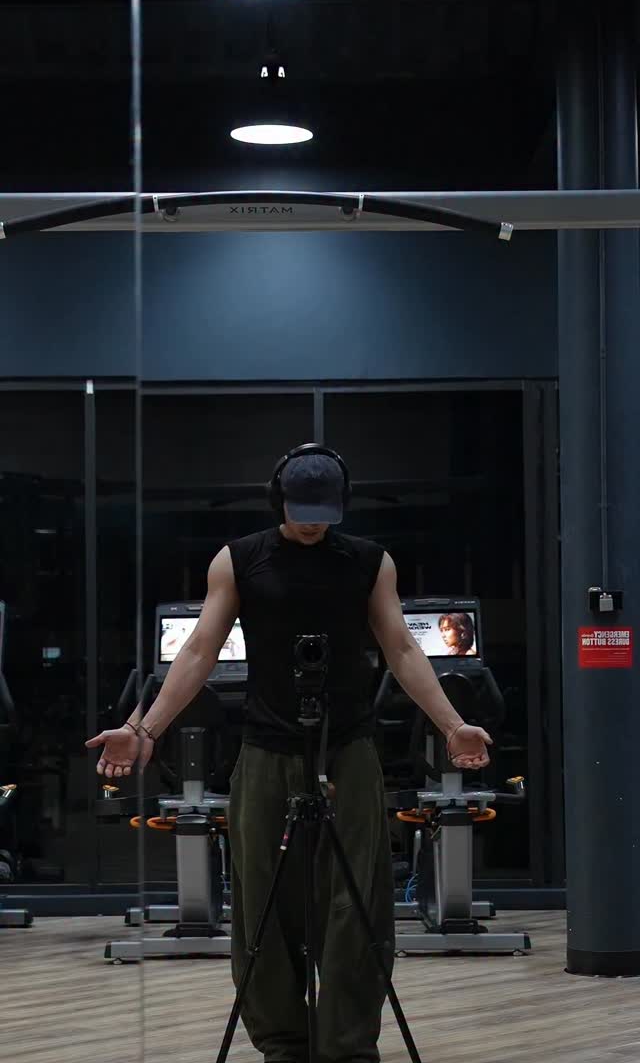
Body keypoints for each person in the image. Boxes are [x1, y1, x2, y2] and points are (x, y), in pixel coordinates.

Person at [87, 445, 492, 1063]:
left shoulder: (368, 562)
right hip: (265, 746)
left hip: (348, 745)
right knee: (261, 901)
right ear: (278, 499)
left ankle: (347, 1045)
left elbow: (403, 650)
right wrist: (143, 729)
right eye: (302, 512)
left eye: (323, 514)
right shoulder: (240, 559)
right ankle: (282, 1044)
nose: (311, 525)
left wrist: (454, 724)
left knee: (357, 898)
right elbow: (198, 650)